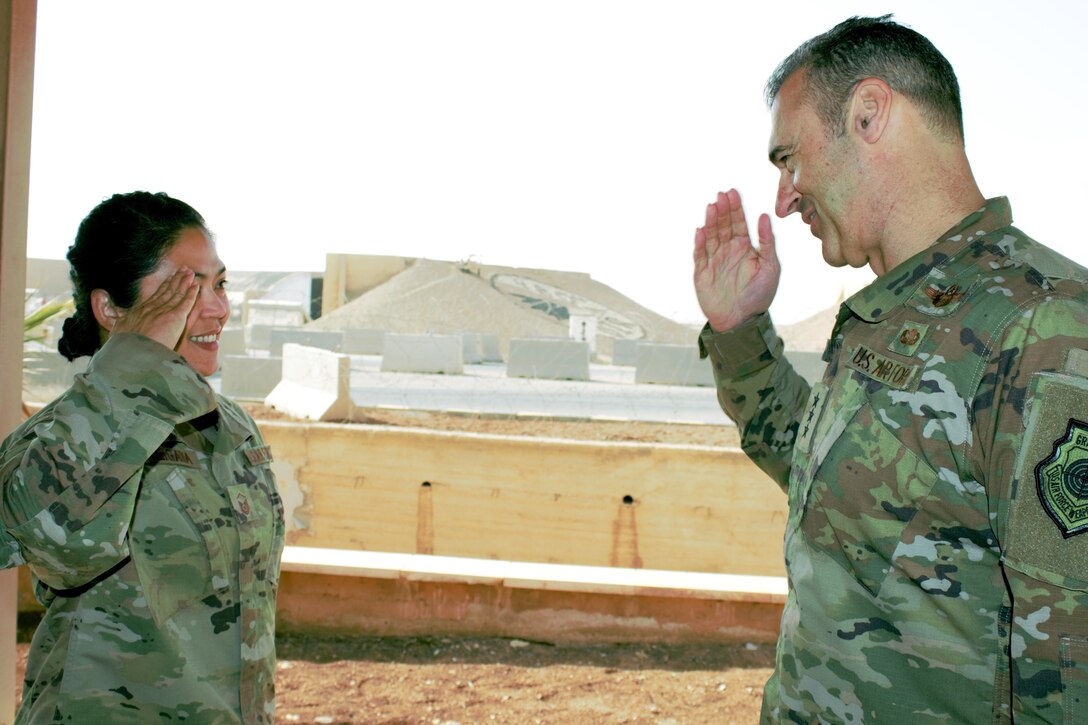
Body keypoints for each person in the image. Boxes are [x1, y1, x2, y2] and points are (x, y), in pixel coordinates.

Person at [692, 15, 1088, 723]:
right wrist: (738, 331)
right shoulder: (894, 311)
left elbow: (1070, 664)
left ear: (870, 114)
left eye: (790, 159)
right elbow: (832, 476)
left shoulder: (1042, 327)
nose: (784, 197)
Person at [0, 191, 285, 723]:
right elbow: (53, 542)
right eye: (185, 289)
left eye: (219, 283)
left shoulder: (230, 428)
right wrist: (134, 362)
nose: (218, 307)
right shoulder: (57, 437)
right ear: (111, 309)